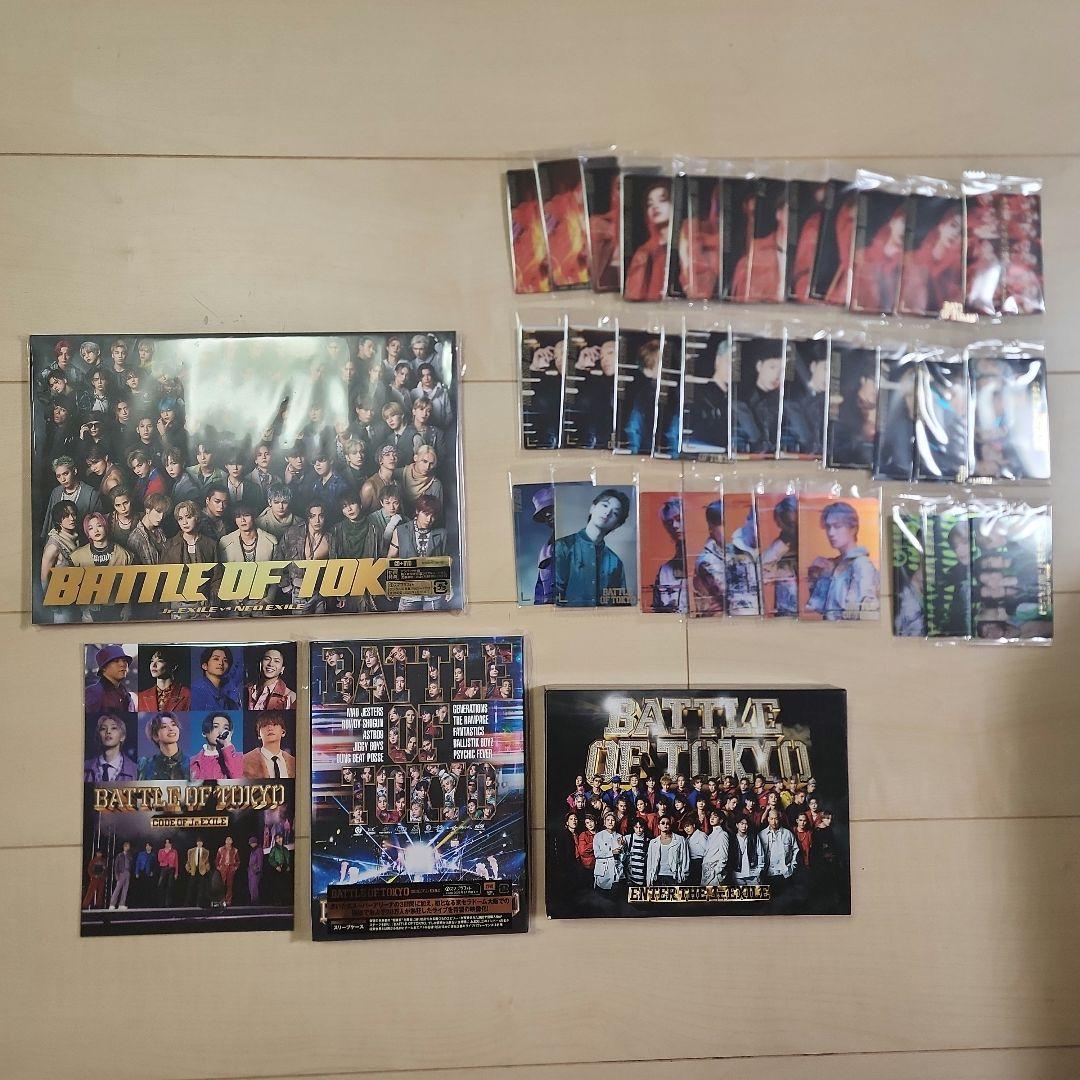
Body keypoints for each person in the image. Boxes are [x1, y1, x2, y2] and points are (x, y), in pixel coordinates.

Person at [553, 487, 631, 607]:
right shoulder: (563, 547)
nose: (607, 513)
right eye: (605, 505)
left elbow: (622, 606)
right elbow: (553, 598)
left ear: (616, 525)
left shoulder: (615, 562)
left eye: (615, 513)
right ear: (592, 508)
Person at [807, 502, 880, 620]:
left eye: (837, 526)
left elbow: (862, 615)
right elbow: (817, 608)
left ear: (853, 529)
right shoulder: (832, 565)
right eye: (828, 527)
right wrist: (818, 578)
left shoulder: (862, 565)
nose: (831, 533)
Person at [851, 204, 906, 312]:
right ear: (892, 222)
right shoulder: (861, 255)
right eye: (903, 221)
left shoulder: (908, 265)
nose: (904, 229)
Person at [625, 180, 671, 301]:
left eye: (662, 200)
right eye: (650, 204)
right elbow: (634, 293)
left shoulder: (688, 245)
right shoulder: (644, 252)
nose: (655, 207)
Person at [651, 496, 687, 613]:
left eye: (679, 519)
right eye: (669, 522)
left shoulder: (710, 561)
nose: (674, 525)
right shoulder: (664, 571)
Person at [84, 712, 138, 781]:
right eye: (103, 728)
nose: (108, 731)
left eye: (114, 728)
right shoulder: (85, 767)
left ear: (122, 737)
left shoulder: (135, 770)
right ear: (98, 736)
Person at [189, 712, 243, 779]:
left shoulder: (240, 758)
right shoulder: (192, 762)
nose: (221, 731)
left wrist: (227, 744)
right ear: (204, 733)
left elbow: (239, 779)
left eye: (225, 728)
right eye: (216, 727)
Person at [243, 710, 295, 779]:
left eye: (274, 724)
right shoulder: (245, 761)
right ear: (259, 735)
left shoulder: (293, 763)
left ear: (283, 732)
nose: (270, 728)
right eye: (264, 725)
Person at [85, 646, 137, 714]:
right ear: (104, 668)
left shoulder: (127, 696)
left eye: (124, 660)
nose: (123, 664)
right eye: (116, 661)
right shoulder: (93, 693)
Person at [138, 712, 188, 780]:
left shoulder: (190, 762)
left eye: (173, 724)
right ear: (155, 736)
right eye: (164, 726)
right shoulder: (146, 766)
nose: (171, 728)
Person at [126, 493, 170, 565]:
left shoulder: (160, 531)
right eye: (158, 512)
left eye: (164, 513)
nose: (161, 517)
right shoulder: (135, 538)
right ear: (147, 510)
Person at [645, 814, 689, 885]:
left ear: (670, 826)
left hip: (673, 877)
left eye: (667, 823)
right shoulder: (653, 842)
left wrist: (684, 875)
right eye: (663, 823)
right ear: (659, 826)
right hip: (658, 877)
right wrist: (649, 879)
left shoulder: (680, 840)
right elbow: (650, 862)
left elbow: (685, 859)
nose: (665, 825)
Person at [760, 808, 799, 888]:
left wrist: (792, 866)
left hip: (785, 874)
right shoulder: (761, 834)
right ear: (768, 819)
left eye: (776, 819)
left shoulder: (788, 834)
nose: (774, 822)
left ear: (779, 819)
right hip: (768, 874)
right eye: (771, 819)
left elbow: (796, 850)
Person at [592, 811, 626, 892]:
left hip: (616, 871)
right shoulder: (598, 836)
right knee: (602, 896)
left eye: (612, 820)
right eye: (608, 820)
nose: (610, 822)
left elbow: (623, 859)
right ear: (604, 822)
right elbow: (597, 854)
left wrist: (622, 847)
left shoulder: (620, 837)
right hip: (603, 872)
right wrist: (611, 852)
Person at [702, 815, 731, 886]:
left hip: (715, 873)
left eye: (715, 816)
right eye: (711, 816)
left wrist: (717, 871)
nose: (712, 818)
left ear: (721, 820)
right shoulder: (710, 835)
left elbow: (724, 856)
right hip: (706, 871)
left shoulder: (723, 834)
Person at [265, 833, 292, 905]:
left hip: (285, 868)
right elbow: (270, 859)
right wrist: (276, 866)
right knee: (277, 885)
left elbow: (288, 859)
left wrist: (288, 867)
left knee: (285, 885)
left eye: (280, 838)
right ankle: (277, 901)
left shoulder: (285, 849)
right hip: (277, 868)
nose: (279, 839)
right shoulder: (274, 849)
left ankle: (285, 900)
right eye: (277, 838)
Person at [185, 838, 212, 908]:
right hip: (193, 871)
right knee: (191, 887)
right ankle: (189, 904)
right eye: (198, 842)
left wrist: (207, 868)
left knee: (201, 888)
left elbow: (207, 862)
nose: (199, 843)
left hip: (202, 871)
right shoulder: (191, 851)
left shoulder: (206, 851)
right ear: (196, 843)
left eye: (201, 842)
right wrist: (188, 868)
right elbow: (188, 860)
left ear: (202, 843)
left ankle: (199, 903)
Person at [215, 837, 240, 906]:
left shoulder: (235, 850)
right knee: (221, 884)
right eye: (227, 840)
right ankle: (221, 900)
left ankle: (228, 901)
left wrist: (235, 867)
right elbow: (217, 859)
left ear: (232, 842)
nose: (228, 842)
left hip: (231, 868)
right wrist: (218, 867)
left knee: (230, 885)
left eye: (230, 840)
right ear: (225, 841)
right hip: (223, 868)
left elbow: (238, 860)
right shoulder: (220, 849)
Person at [109, 841, 133, 910]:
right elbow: (116, 866)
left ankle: (122, 904)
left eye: (128, 846)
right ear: (124, 847)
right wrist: (117, 875)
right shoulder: (120, 855)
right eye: (126, 846)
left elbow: (131, 864)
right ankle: (112, 904)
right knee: (117, 889)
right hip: (121, 873)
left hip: (127, 872)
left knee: (125, 889)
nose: (128, 848)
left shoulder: (129, 855)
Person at [157, 838, 179, 907]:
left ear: (171, 844)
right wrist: (167, 852)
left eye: (168, 843)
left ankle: (167, 903)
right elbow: (160, 859)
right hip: (163, 868)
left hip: (171, 869)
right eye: (166, 843)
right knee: (161, 885)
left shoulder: (174, 851)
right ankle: (161, 903)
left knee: (169, 886)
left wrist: (176, 873)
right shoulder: (161, 851)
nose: (167, 844)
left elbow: (176, 862)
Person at [134, 842, 156, 907]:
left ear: (151, 847)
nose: (147, 847)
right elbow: (137, 863)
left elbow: (155, 865)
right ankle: (140, 903)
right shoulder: (141, 854)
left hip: (148, 873)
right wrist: (136, 872)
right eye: (146, 846)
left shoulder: (153, 855)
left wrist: (153, 872)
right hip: (141, 872)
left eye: (149, 846)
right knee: (141, 888)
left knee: (148, 889)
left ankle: (148, 903)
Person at [246, 836, 264, 904]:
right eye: (250, 843)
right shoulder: (253, 851)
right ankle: (252, 900)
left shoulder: (259, 850)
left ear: (255, 843)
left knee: (254, 887)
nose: (251, 845)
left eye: (252, 843)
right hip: (251, 871)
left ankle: (255, 901)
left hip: (255, 871)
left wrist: (258, 869)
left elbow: (260, 861)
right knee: (251, 886)